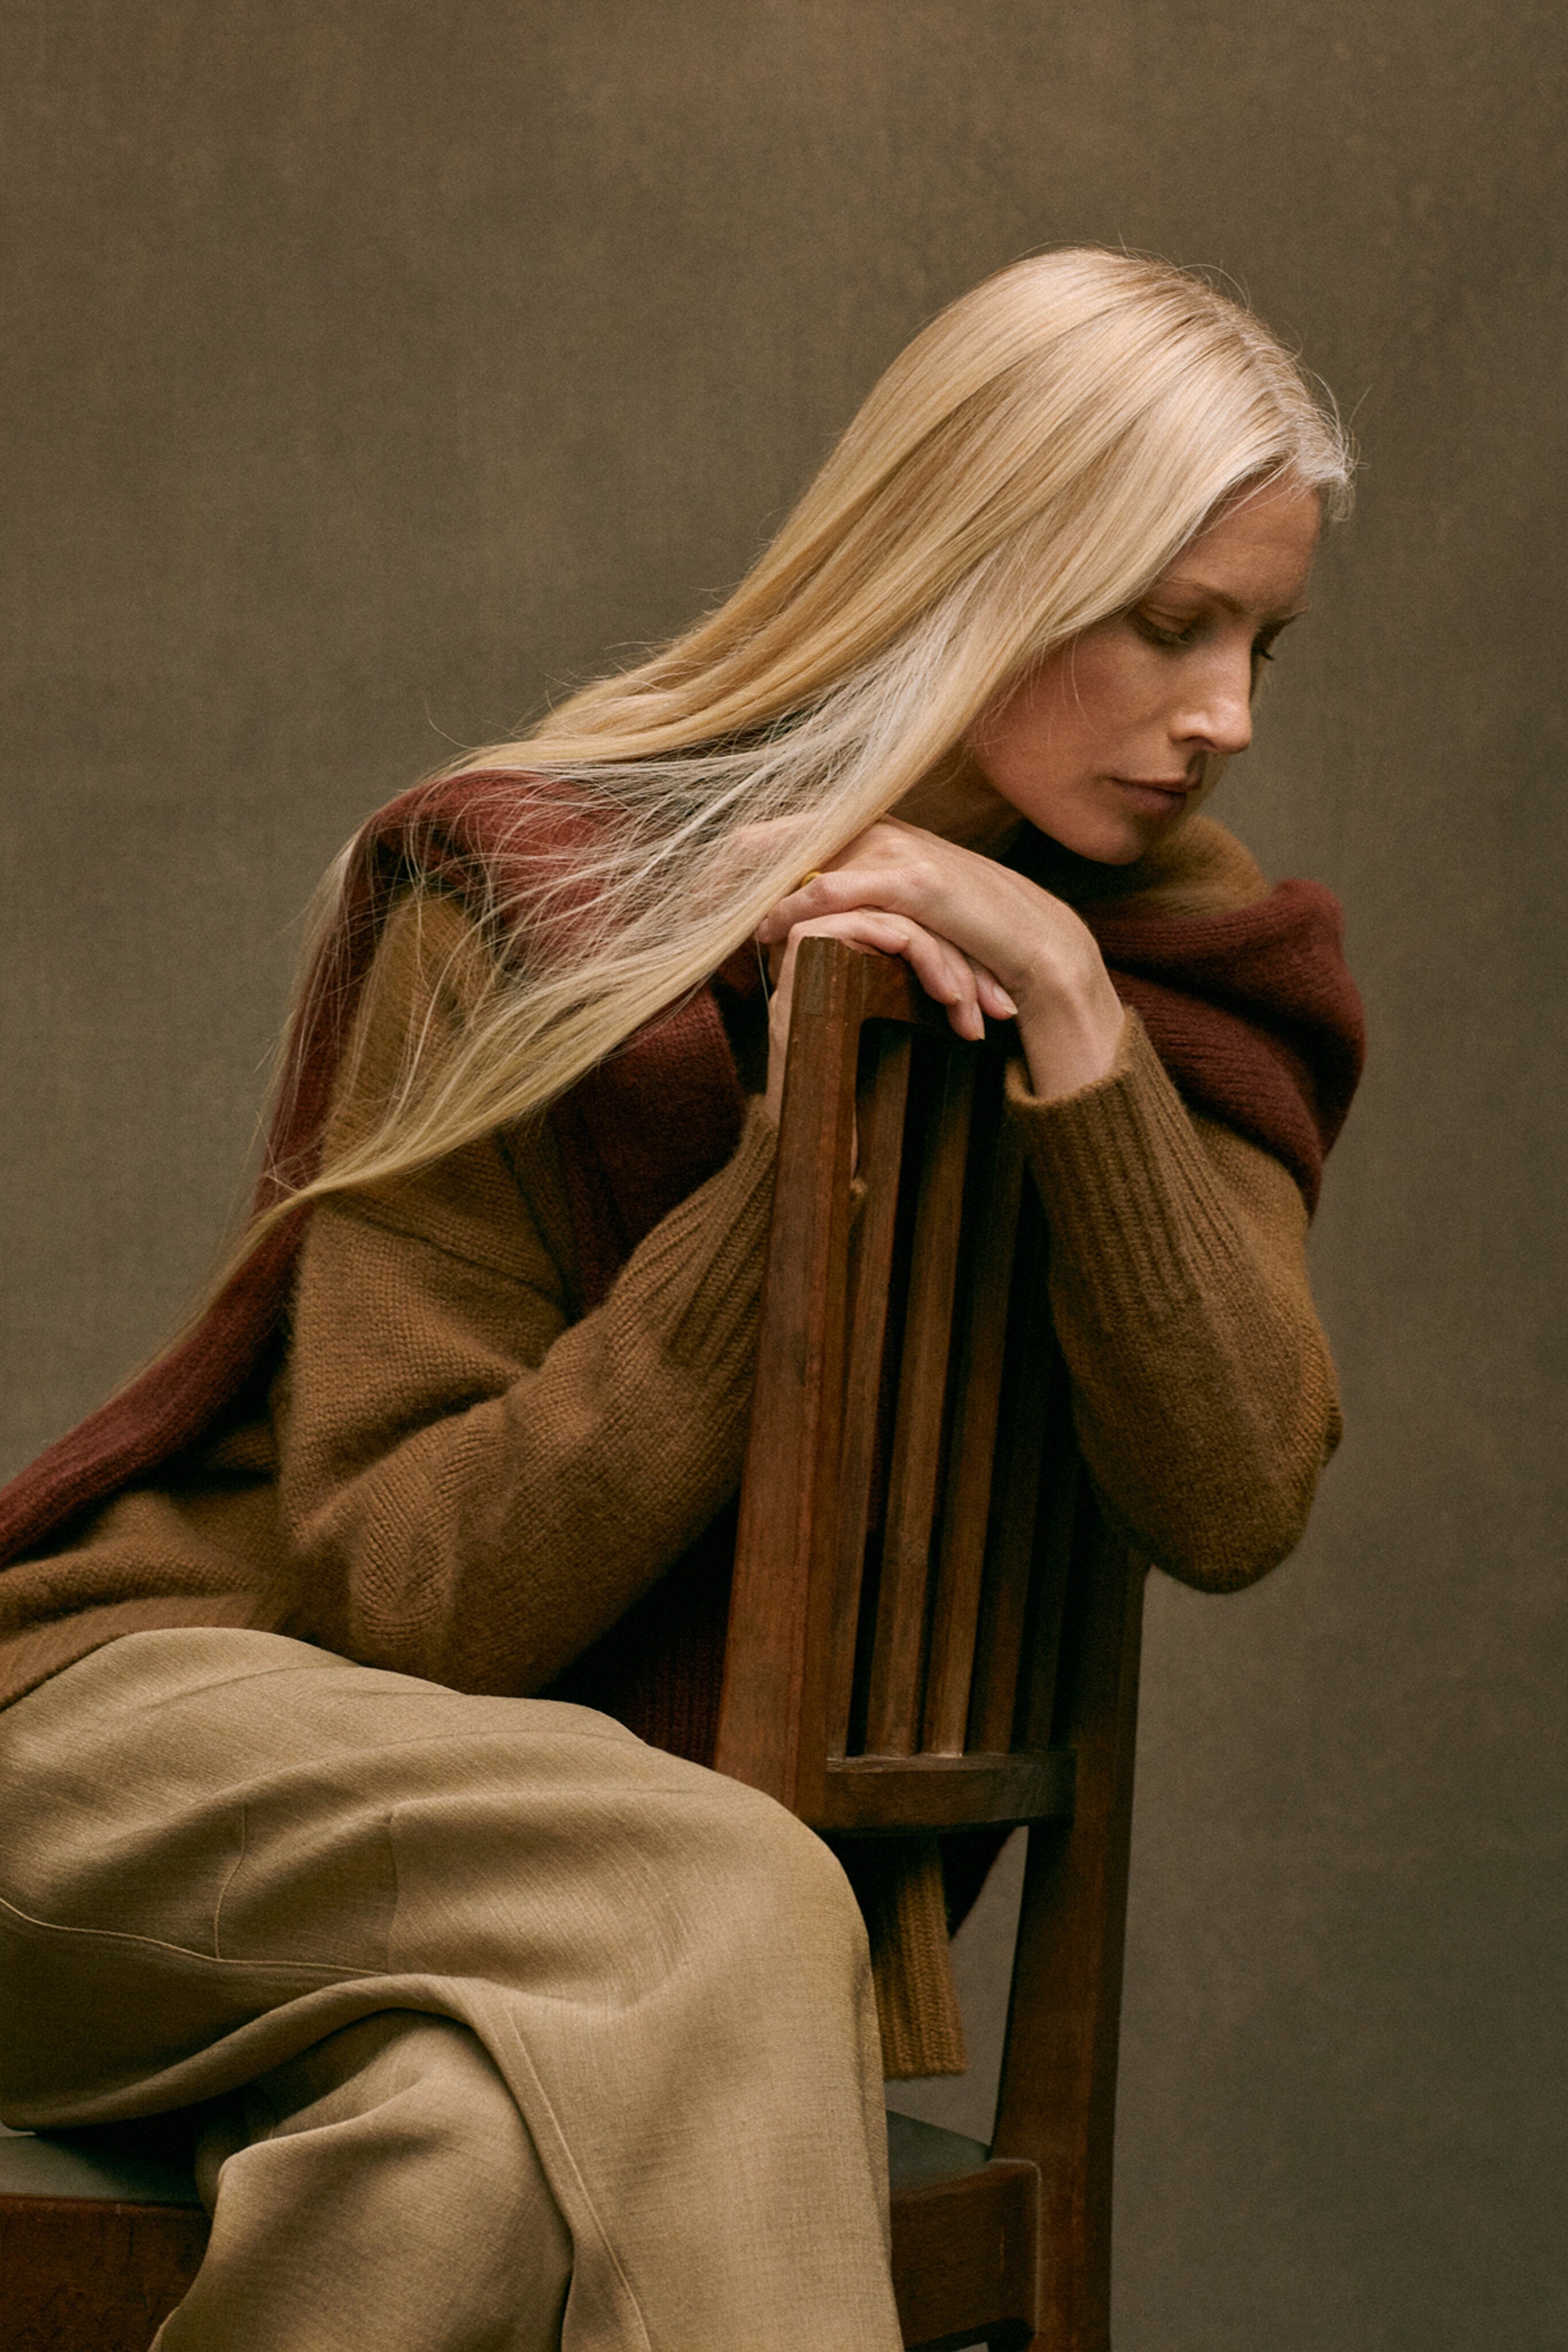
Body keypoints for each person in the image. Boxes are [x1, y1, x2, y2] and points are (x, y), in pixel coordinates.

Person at [0, 248, 1363, 2350]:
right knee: (722, 1890)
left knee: (465, 2165)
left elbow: (1235, 1489)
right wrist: (789, 1182)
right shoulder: (542, 901)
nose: (1226, 716)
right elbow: (411, 1601)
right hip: (139, 1757)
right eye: (1167, 622)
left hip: (543, 1916)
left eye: (1261, 639)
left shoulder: (1181, 978)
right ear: (976, 562)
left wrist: (1077, 1024)